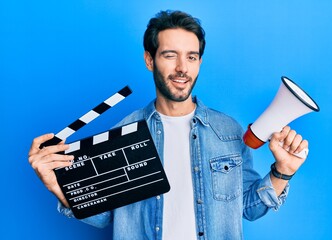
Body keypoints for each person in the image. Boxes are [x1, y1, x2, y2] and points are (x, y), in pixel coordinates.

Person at [28, 10, 308, 240]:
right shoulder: (122, 132)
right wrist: (58, 186)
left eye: (191, 56)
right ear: (150, 60)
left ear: (199, 62)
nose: (182, 68)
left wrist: (282, 172)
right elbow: (103, 217)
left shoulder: (229, 131)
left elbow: (248, 208)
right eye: (169, 55)